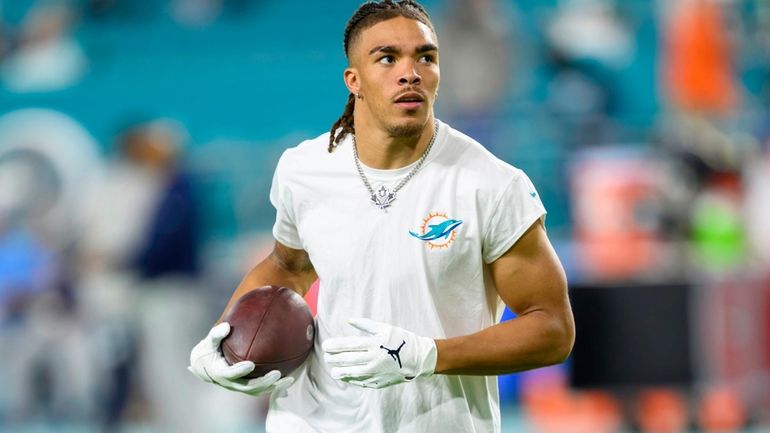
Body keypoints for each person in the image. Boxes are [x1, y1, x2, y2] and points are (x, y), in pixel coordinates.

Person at [188, 1, 575, 432]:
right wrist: (223, 336)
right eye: (387, 58)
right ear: (354, 80)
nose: (410, 72)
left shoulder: (492, 185)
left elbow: (552, 328)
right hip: (314, 420)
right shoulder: (304, 169)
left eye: (425, 57)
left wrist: (428, 355)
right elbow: (287, 265)